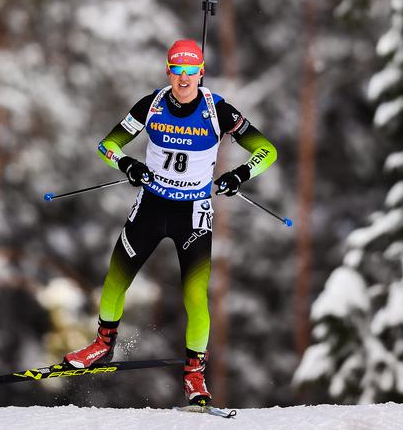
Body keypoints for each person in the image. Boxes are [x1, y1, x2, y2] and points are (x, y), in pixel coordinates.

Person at [63, 39, 277, 406]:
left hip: (192, 213)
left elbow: (267, 150)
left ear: (201, 72)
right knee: (116, 278)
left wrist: (239, 174)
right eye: (177, 70)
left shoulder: (219, 111)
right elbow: (107, 145)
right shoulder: (152, 105)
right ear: (168, 71)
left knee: (195, 297)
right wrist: (127, 164)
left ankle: (195, 375)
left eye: (191, 71)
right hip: (151, 205)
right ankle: (102, 345)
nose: (184, 78)